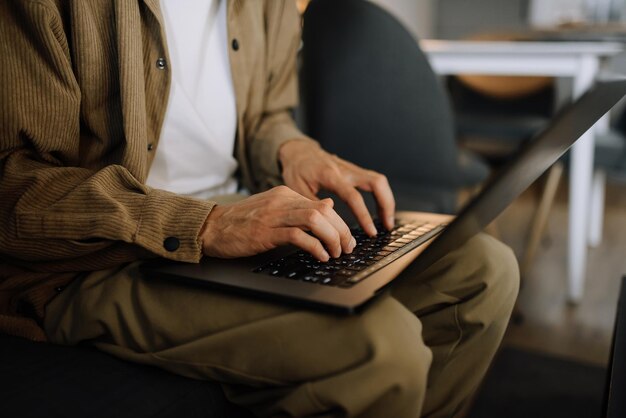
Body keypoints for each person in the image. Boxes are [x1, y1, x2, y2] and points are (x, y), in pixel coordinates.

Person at [0, 1, 519, 417]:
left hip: (238, 213)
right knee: (381, 350)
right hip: (98, 258)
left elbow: (266, 113)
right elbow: (15, 189)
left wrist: (295, 150)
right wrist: (210, 223)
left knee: (484, 271)